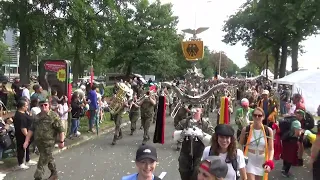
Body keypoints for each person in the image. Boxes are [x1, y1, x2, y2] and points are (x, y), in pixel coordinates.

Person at [23, 99, 65, 180]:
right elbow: (31, 129)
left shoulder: (54, 116)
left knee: (42, 160)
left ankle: (37, 177)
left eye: (45, 105)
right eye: (41, 105)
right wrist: (26, 141)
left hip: (49, 143)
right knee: (49, 158)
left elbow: (61, 130)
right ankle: (54, 174)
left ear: (49, 105)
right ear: (39, 106)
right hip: (39, 143)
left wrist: (61, 141)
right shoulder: (37, 117)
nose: (43, 107)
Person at [176, 108, 215, 180]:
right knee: (184, 172)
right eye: (193, 110)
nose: (194, 112)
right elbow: (175, 135)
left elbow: (213, 138)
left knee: (197, 173)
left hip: (199, 153)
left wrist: (202, 135)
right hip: (185, 152)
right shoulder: (184, 122)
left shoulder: (205, 123)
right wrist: (183, 133)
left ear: (201, 111)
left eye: (197, 111)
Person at [239, 107, 274, 180]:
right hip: (249, 160)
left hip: (262, 161)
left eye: (259, 115)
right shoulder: (246, 130)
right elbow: (240, 145)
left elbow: (271, 149)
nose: (257, 117)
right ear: (252, 116)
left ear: (263, 117)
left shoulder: (268, 130)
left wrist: (269, 162)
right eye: (255, 115)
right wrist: (241, 159)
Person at [13, 99, 36, 169]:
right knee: (21, 148)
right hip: (22, 135)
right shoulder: (20, 116)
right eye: (26, 106)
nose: (27, 107)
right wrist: (27, 136)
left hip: (29, 132)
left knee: (27, 147)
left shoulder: (24, 113)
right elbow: (23, 128)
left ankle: (27, 159)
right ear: (22, 107)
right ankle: (21, 163)